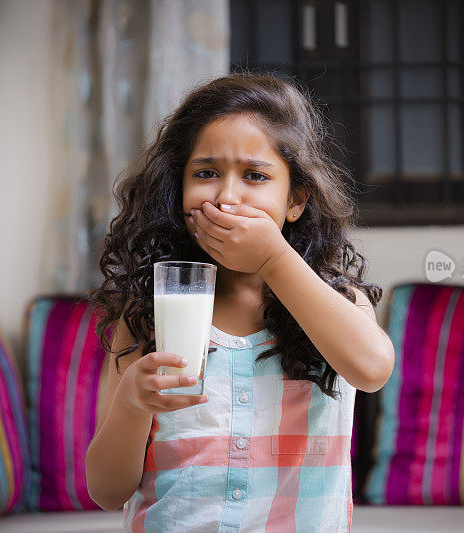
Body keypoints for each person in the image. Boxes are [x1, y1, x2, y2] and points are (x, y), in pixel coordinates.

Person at [85, 72, 395, 532]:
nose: (227, 197)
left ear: (295, 200)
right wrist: (131, 405)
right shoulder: (148, 312)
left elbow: (372, 369)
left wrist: (274, 257)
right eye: (206, 173)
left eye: (255, 176)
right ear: (178, 188)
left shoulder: (336, 301)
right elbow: (107, 492)